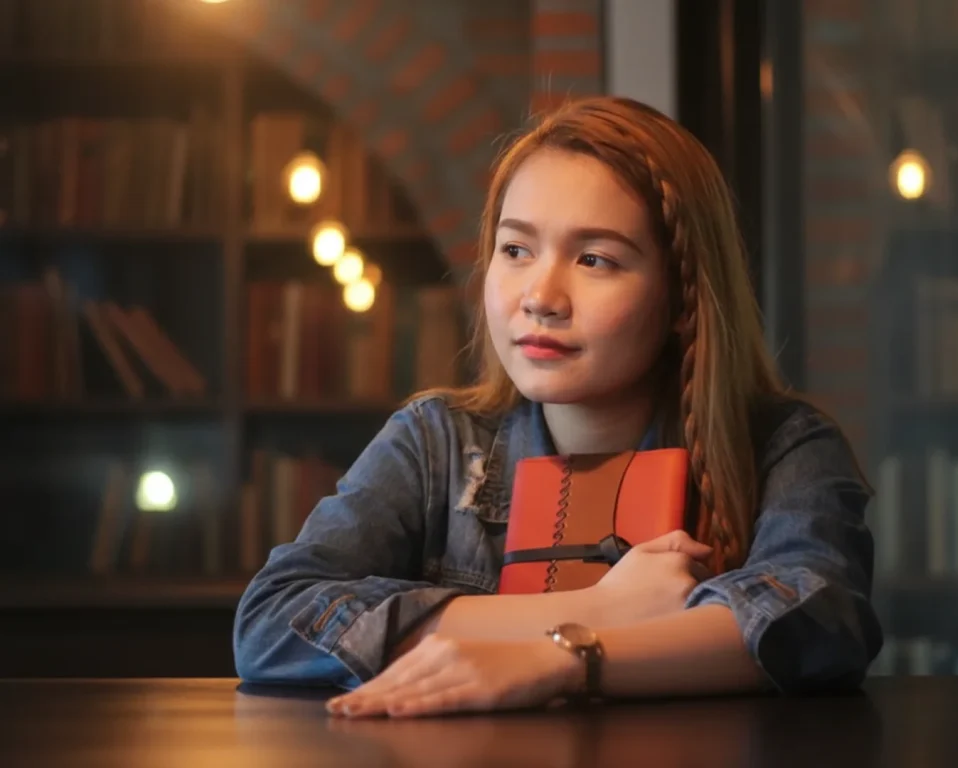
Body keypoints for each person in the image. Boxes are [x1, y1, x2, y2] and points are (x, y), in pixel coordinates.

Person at [233, 95, 883, 719]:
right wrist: (595, 612)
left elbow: (817, 621)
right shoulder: (435, 442)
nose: (541, 295)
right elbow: (274, 620)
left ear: (684, 297)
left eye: (595, 259)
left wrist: (568, 660)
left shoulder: (783, 445)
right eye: (516, 250)